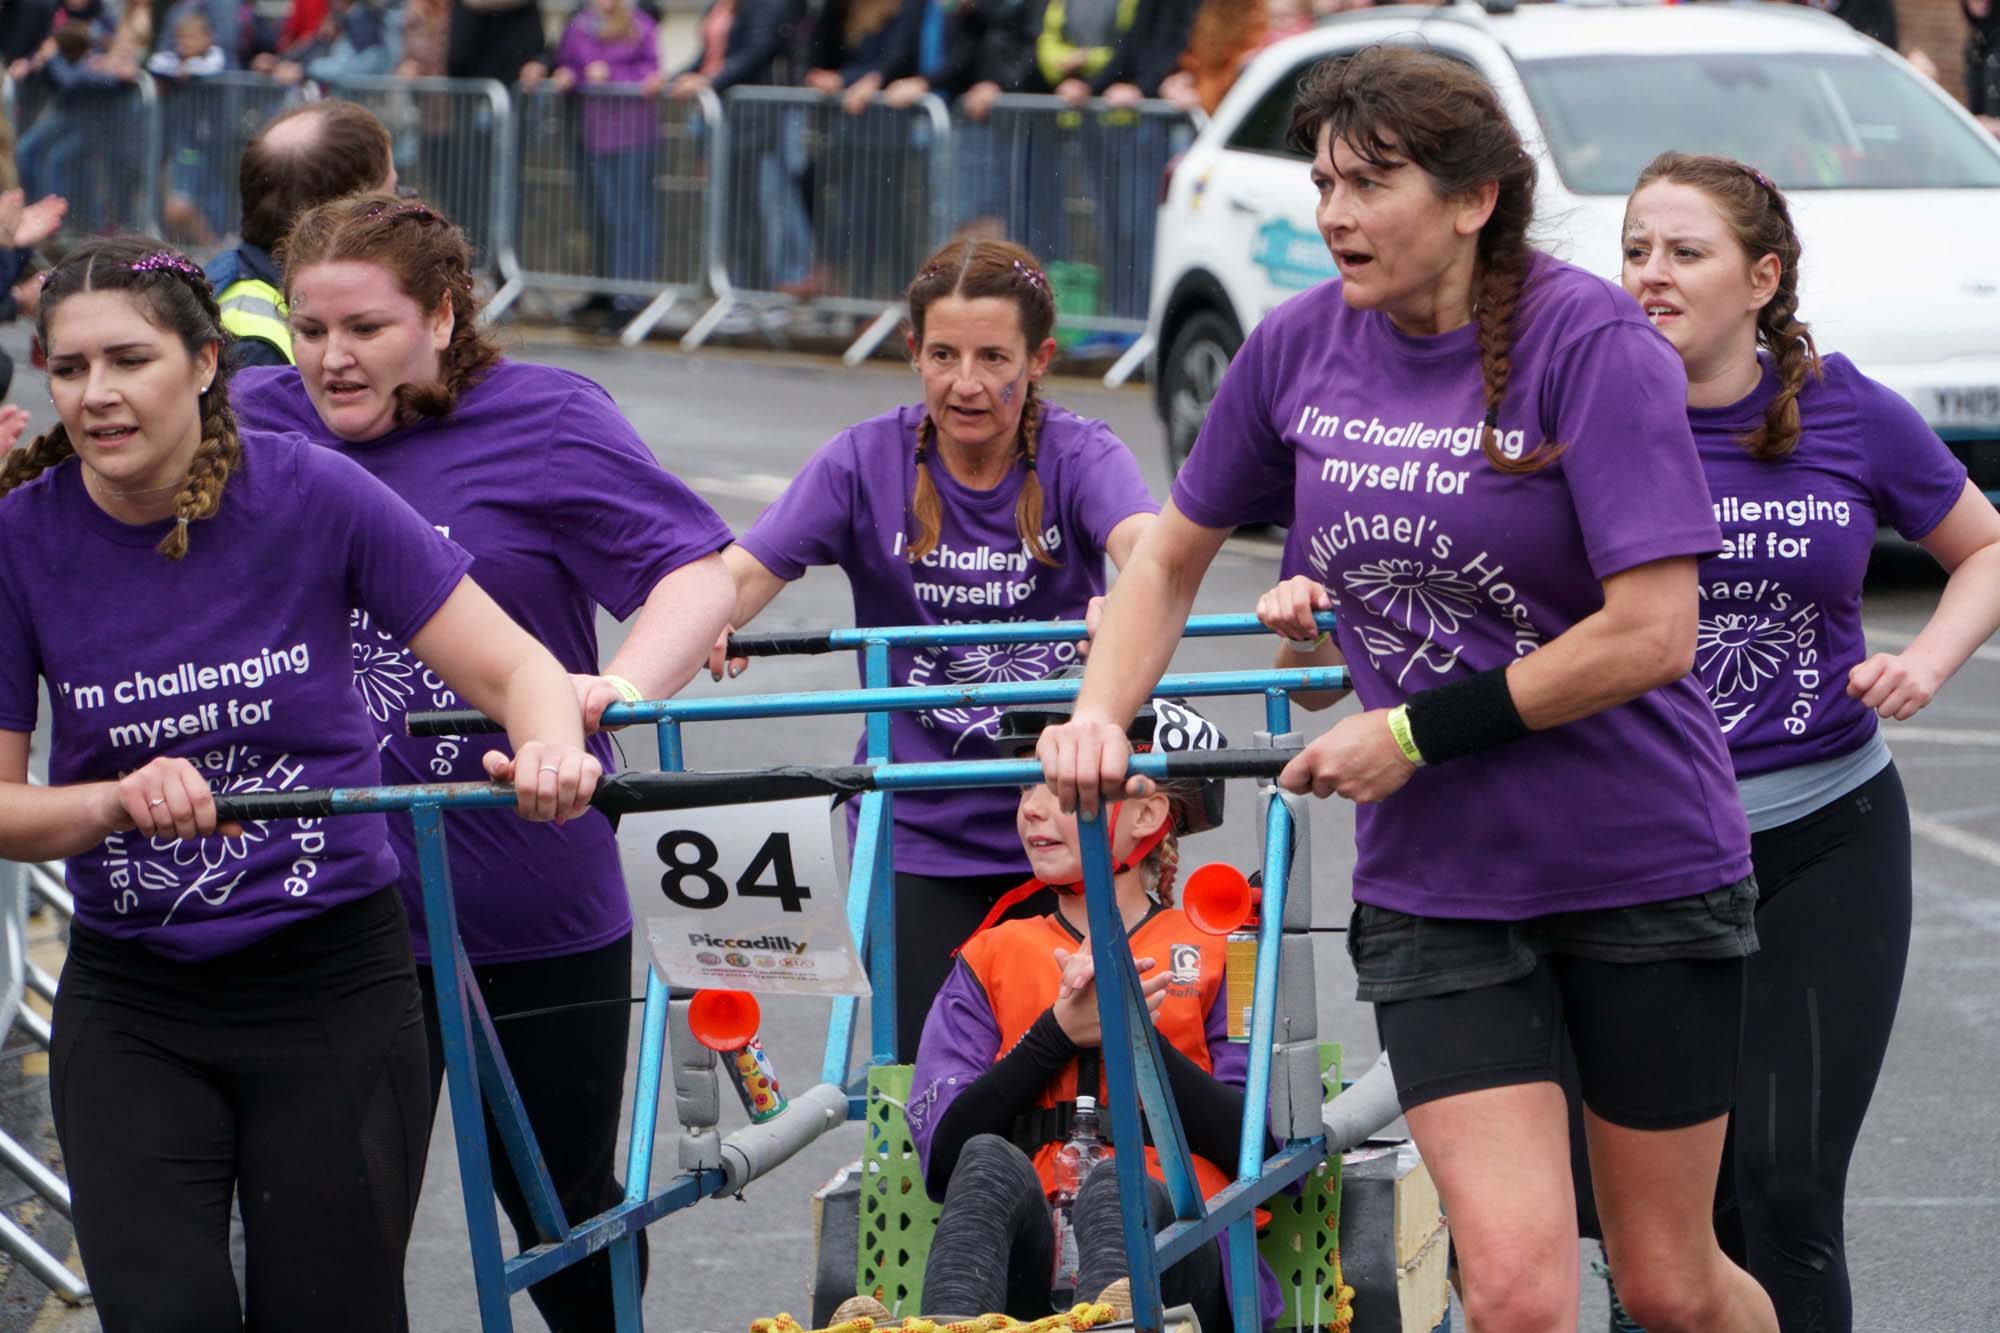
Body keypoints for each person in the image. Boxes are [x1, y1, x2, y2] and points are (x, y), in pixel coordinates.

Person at [1040, 46, 1780, 1333]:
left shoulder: (1589, 343)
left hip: (1638, 862)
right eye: (1322, 180)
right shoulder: (1298, 346)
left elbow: (1653, 632)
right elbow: (1165, 556)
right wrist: (1099, 711)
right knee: (1513, 1290)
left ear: (1472, 200)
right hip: (1440, 885)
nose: (1331, 212)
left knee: (1667, 1284)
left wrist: (1410, 730)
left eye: (1369, 183)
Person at [0, 236, 598, 1329]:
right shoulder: (19, 541)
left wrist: (551, 746)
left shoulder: (313, 492)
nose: (97, 394)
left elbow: (518, 669)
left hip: (332, 986)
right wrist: (109, 802)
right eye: (70, 367)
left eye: (129, 361)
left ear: (205, 363)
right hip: (135, 999)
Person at [230, 191, 737, 1327]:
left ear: (444, 316)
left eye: (365, 328)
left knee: (559, 1214)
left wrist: (622, 686)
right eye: (311, 329)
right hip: (332, 911)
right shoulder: (253, 420)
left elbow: (697, 569)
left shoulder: (543, 419)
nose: (331, 357)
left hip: (529, 895)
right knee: (335, 1228)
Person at [1618, 151, 2000, 1332]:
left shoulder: (1846, 409)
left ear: (1760, 276)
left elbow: (1981, 549)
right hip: (1637, 856)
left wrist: (1921, 663)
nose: (1649, 275)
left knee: (1780, 1191)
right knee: (1651, 1222)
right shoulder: (1581, 410)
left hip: (1822, 838)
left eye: (1684, 253)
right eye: (1633, 250)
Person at [713, 238, 1158, 1061]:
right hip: (916, 825)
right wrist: (687, 631)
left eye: (995, 357)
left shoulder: (1079, 451)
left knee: (1074, 1077)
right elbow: (737, 575)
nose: (967, 383)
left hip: (1056, 816)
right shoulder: (862, 460)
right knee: (929, 1078)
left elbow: (1148, 547)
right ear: (913, 352)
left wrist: (1127, 594)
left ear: (1039, 359)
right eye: (945, 355)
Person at [897, 690, 1279, 1329]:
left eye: (1064, 788)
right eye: (1025, 786)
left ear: (1148, 812)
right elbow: (945, 1157)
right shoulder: (990, 955)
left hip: (1185, 1254)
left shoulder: (1225, 952)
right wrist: (1057, 1034)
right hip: (1032, 1260)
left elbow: (1259, 1146)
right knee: (988, 1162)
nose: (1033, 810)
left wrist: (1134, 1037)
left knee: (1117, 1182)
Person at [204, 100, 398, 371]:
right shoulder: (254, 349)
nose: (399, 215)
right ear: (341, 216)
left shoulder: (232, 275)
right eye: (393, 196)